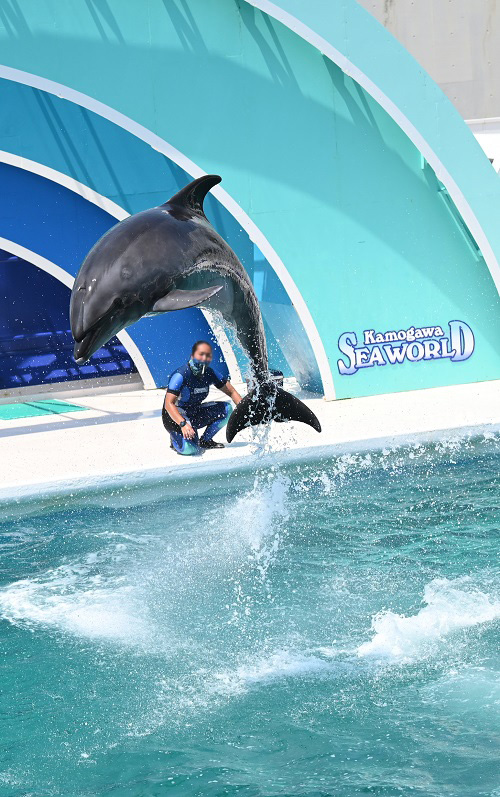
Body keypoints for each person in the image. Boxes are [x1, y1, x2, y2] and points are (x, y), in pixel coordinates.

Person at [162, 340, 242, 455]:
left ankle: (205, 441)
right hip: (176, 418)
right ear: (192, 355)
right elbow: (168, 404)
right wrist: (183, 424)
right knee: (190, 449)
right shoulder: (181, 375)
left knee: (227, 409)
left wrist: (244, 410)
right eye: (201, 354)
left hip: (194, 412)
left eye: (208, 355)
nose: (204, 358)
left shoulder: (210, 373)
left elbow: (232, 392)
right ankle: (175, 438)